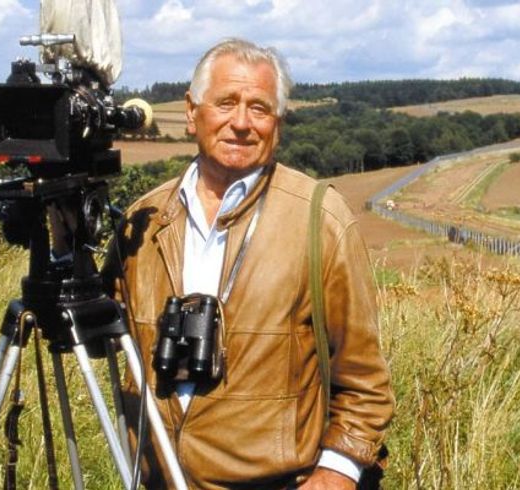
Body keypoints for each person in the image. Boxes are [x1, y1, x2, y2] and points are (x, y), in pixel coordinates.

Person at [103, 38, 394, 489]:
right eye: (225, 103)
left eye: (259, 108)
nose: (241, 123)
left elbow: (365, 379)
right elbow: (101, 337)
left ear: (278, 123)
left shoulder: (319, 217)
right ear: (191, 110)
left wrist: (339, 471)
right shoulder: (143, 220)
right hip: (158, 479)